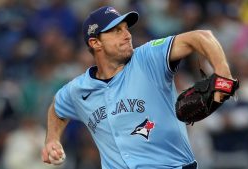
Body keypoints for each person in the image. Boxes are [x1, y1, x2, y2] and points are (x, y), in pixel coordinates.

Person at [41, 6, 233, 169]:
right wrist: (52, 139)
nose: (127, 35)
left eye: (126, 28)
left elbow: (201, 37)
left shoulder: (148, 57)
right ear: (95, 42)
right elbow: (57, 108)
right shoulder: (78, 89)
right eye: (116, 31)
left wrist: (223, 75)